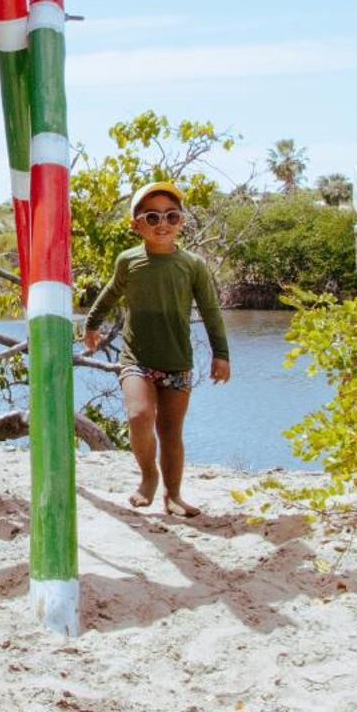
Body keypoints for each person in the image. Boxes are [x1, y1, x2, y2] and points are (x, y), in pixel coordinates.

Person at [81, 181, 231, 516]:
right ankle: (149, 476)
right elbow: (108, 294)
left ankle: (173, 495)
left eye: (171, 216)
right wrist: (92, 325)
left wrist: (221, 354)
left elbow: (210, 310)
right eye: (152, 217)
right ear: (136, 225)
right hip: (137, 358)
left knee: (171, 432)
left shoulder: (193, 265)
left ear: (181, 221)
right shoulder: (128, 261)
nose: (162, 223)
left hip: (177, 361)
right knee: (139, 416)